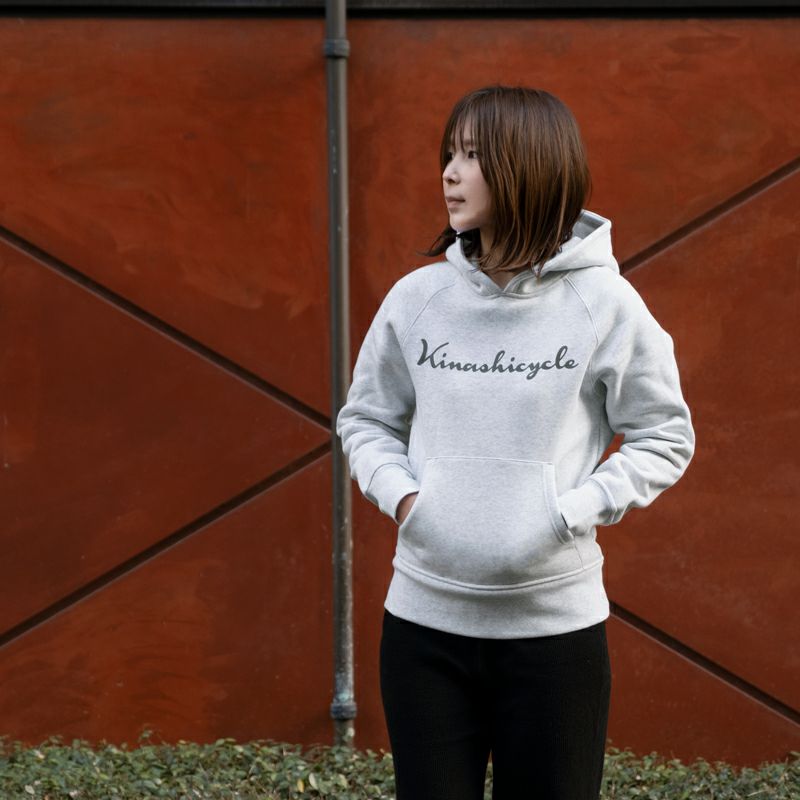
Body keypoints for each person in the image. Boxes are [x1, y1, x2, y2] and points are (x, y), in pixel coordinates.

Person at [335, 85, 696, 800]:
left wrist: (571, 512)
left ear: (527, 166)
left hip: (556, 634)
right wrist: (408, 501)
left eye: (471, 156)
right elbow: (366, 420)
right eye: (448, 153)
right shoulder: (417, 300)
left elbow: (665, 434)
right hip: (424, 627)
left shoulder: (604, 305)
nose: (449, 172)